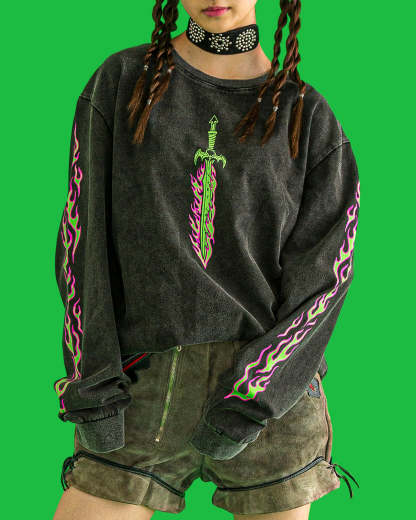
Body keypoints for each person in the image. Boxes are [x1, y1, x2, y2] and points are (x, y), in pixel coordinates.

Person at [52, 1, 361, 519]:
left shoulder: (308, 117)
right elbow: (82, 242)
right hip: (140, 386)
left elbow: (325, 281)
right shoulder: (124, 82)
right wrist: (94, 386)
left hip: (269, 401)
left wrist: (254, 397)